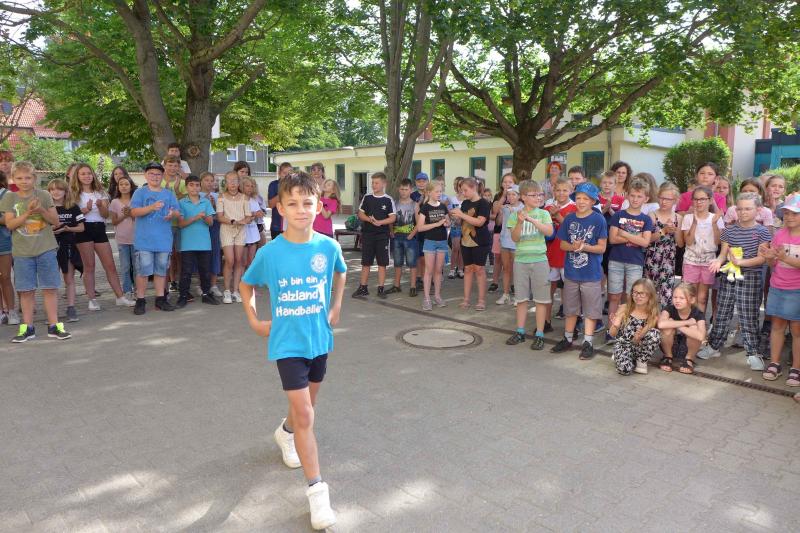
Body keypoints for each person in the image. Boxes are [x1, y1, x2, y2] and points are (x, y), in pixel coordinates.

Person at [239, 171, 345, 531]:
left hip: (319, 340)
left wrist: (336, 307)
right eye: (293, 203)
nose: (301, 209)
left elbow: (341, 273)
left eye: (307, 203)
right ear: (281, 208)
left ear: (318, 206)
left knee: (305, 410)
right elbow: (246, 284)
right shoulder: (270, 253)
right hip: (286, 344)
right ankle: (317, 492)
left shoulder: (328, 247)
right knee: (306, 415)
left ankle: (285, 432)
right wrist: (254, 320)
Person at [699, 192, 772, 369]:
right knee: (722, 312)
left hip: (751, 278)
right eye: (739, 209)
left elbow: (761, 258)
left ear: (758, 210)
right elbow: (723, 254)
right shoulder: (729, 230)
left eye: (747, 209)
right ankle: (714, 346)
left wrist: (741, 262)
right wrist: (718, 261)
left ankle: (752, 352)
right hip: (729, 275)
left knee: (749, 315)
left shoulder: (762, 231)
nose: (743, 212)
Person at [0, 161, 71, 341]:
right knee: (26, 291)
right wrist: (27, 214)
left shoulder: (44, 195)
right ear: (13, 179)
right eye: (19, 178)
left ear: (34, 178)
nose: (24, 181)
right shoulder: (10, 198)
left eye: (28, 177)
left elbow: (55, 221)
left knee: (50, 288)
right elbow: (10, 224)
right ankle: (27, 328)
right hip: (22, 252)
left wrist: (40, 210)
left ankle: (54, 326)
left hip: (46, 249)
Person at [551, 182, 608, 360]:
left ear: (593, 201)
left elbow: (602, 247)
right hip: (571, 273)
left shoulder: (598, 219)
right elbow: (562, 244)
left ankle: (588, 342)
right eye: (578, 198)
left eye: (586, 199)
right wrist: (574, 247)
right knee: (570, 308)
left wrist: (584, 247)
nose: (581, 201)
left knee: (591, 309)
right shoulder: (569, 219)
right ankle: (568, 338)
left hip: (591, 274)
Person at [70, 163, 134, 310]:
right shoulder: (73, 193)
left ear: (93, 175)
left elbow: (105, 215)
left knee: (110, 265)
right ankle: (92, 299)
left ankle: (120, 297)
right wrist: (85, 210)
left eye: (89, 173)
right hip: (83, 229)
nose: (87, 176)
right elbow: (72, 217)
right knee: (89, 266)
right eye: (83, 174)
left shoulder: (100, 192)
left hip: (99, 228)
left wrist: (100, 206)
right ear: (77, 176)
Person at [505, 180, 554, 349]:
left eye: (540, 194)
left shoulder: (544, 214)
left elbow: (549, 232)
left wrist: (532, 220)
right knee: (521, 299)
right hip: (521, 261)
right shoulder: (515, 215)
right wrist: (520, 222)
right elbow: (515, 238)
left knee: (541, 300)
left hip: (540, 261)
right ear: (523, 197)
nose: (538, 198)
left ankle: (539, 334)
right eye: (534, 195)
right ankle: (520, 332)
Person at [129, 162, 181, 314]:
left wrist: (172, 214)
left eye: (158, 174)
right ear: (146, 175)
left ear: (162, 176)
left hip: (163, 240)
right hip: (144, 241)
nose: (155, 176)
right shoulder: (139, 193)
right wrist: (151, 207)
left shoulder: (169, 193)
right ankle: (140, 300)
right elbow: (133, 212)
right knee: (143, 271)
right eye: (151, 173)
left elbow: (177, 212)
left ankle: (160, 299)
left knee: (161, 271)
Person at [759, 195, 800, 385]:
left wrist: (784, 258)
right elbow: (772, 263)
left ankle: (796, 368)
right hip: (777, 286)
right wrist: (769, 256)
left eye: (795, 213)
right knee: (777, 326)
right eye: (787, 213)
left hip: (797, 289)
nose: (789, 217)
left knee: (797, 330)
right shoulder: (780, 234)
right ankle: (774, 363)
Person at [607, 178, 654, 332]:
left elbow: (645, 242)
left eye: (639, 196)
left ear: (646, 199)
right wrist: (635, 237)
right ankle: (611, 329)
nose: (635, 199)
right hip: (616, 260)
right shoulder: (618, 215)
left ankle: (626, 329)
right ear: (627, 195)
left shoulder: (646, 219)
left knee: (632, 296)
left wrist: (625, 233)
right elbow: (613, 239)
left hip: (635, 262)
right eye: (633, 195)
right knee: (614, 296)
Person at [675, 185, 723, 317]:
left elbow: (718, 242)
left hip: (708, 262)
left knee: (702, 297)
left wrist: (714, 224)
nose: (699, 202)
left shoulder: (716, 218)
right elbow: (688, 242)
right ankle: (688, 323)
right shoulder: (688, 218)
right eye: (696, 199)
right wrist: (694, 224)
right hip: (691, 261)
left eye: (702, 199)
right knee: (690, 295)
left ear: (710, 200)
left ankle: (699, 322)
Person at [176, 174, 218, 308]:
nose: (194, 188)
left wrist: (205, 217)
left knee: (205, 271)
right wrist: (195, 217)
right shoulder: (181, 203)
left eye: (197, 185)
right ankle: (183, 296)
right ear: (186, 187)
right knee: (186, 271)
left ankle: (206, 294)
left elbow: (211, 223)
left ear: (200, 187)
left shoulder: (206, 202)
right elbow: (180, 224)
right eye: (191, 185)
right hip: (187, 244)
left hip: (204, 243)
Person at [352, 172, 396, 298]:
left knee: (382, 263)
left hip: (382, 236)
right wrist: (369, 220)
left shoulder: (388, 199)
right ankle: (363, 287)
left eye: (376, 183)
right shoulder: (367, 197)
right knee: (366, 262)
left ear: (384, 184)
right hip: (368, 235)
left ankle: (381, 288)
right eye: (372, 183)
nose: (373, 185)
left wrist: (380, 222)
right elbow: (360, 214)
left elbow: (393, 218)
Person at [451, 177, 492, 310]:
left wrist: (462, 215)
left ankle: (481, 300)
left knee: (479, 270)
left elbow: (480, 222)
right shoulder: (465, 203)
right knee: (468, 269)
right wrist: (455, 218)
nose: (463, 193)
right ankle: (466, 299)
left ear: (474, 188)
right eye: (461, 190)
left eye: (465, 190)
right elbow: (463, 222)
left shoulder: (483, 203)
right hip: (465, 241)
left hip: (480, 241)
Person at [48, 178, 85, 323]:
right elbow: (40, 228)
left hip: (68, 246)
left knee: (69, 279)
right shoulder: (46, 208)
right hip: (50, 247)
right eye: (52, 189)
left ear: (65, 191)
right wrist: (51, 229)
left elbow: (81, 228)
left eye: (59, 189)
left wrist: (68, 228)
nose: (56, 192)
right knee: (51, 281)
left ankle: (71, 308)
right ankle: (52, 312)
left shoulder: (73, 207)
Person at [609, 278, 661, 375]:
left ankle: (641, 361)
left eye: (642, 293)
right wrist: (615, 326)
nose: (637, 296)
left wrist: (638, 337)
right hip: (623, 345)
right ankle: (620, 355)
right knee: (625, 370)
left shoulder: (653, 314)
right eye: (635, 292)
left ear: (650, 295)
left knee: (655, 334)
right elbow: (612, 334)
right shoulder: (624, 308)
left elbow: (639, 339)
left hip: (639, 347)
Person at [543, 178, 575, 327]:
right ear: (553, 191)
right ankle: (545, 321)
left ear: (571, 191)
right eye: (558, 190)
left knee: (569, 292)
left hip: (567, 256)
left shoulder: (575, 208)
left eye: (565, 190)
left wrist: (558, 216)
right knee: (547, 290)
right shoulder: (547, 207)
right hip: (550, 254)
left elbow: (571, 230)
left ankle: (571, 326)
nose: (561, 193)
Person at [217, 172, 252, 304]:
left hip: (240, 230)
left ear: (239, 183)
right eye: (229, 180)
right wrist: (232, 221)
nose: (232, 183)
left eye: (235, 181)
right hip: (226, 230)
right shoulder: (221, 197)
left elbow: (248, 216)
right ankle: (227, 290)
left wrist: (244, 221)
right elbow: (219, 217)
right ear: (225, 183)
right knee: (230, 260)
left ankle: (235, 290)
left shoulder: (244, 197)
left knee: (239, 260)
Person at [645, 182, 681, 308]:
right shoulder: (652, 215)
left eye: (668, 199)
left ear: (675, 200)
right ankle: (649, 318)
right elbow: (648, 239)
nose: (663, 201)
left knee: (667, 294)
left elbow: (680, 243)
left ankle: (665, 318)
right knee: (649, 293)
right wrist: (663, 231)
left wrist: (675, 231)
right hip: (652, 258)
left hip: (669, 260)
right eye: (661, 198)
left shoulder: (678, 218)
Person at [416, 180, 449, 310]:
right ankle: (427, 298)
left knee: (438, 270)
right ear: (429, 192)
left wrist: (447, 223)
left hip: (442, 241)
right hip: (430, 241)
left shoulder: (443, 206)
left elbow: (448, 222)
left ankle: (437, 296)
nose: (439, 194)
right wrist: (436, 224)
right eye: (436, 191)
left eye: (440, 191)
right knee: (429, 270)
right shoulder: (425, 208)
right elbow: (420, 228)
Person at [385, 178, 419, 296]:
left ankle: (413, 286)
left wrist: (412, 235)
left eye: (406, 189)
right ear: (398, 189)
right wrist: (391, 231)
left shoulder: (415, 205)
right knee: (397, 262)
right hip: (397, 237)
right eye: (401, 189)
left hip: (410, 238)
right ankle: (396, 285)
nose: (403, 191)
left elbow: (419, 222)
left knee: (412, 263)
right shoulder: (394, 203)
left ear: (411, 190)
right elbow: (391, 219)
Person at [109, 174, 138, 301]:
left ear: (131, 186)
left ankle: (138, 290)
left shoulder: (136, 201)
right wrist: (125, 215)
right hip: (122, 239)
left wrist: (131, 214)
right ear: (118, 187)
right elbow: (114, 221)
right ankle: (127, 290)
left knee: (137, 267)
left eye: (126, 184)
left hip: (136, 238)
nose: (124, 186)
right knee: (125, 266)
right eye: (121, 184)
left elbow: (139, 219)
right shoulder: (114, 202)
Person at [489, 173, 516, 293]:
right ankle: (495, 282)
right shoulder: (498, 196)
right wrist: (504, 196)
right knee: (498, 258)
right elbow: (495, 211)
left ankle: (513, 284)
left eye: (510, 182)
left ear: (514, 183)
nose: (507, 184)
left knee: (513, 261)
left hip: (513, 233)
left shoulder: (518, 196)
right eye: (505, 182)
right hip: (499, 231)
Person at [496, 184, 522, 305]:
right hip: (505, 241)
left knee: (518, 270)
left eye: (513, 194)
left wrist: (515, 212)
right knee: (506, 268)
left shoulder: (523, 208)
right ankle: (506, 294)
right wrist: (503, 196)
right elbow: (495, 209)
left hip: (516, 242)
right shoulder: (505, 207)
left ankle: (519, 296)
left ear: (519, 196)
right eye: (509, 195)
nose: (511, 197)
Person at [200, 172, 223, 298]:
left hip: (214, 228)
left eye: (211, 180)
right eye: (206, 180)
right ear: (201, 182)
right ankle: (202, 284)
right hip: (200, 228)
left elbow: (220, 214)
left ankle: (213, 285)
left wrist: (214, 205)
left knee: (215, 255)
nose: (209, 183)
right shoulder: (197, 195)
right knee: (201, 256)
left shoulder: (217, 196)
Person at [0, 169, 17, 325]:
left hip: (4, 241)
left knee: (5, 277)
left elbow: (8, 219)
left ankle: (11, 311)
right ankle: (1, 312)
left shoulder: (7, 194)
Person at [241, 176, 263, 269]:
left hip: (253, 233)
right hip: (243, 233)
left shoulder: (254, 200)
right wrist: (253, 214)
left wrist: (257, 214)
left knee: (251, 261)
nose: (250, 188)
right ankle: (243, 277)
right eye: (247, 186)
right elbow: (240, 215)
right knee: (243, 262)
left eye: (252, 186)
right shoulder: (239, 199)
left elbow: (259, 214)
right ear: (242, 186)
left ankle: (249, 278)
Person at [268, 162, 293, 239]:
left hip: (291, 225)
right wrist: (284, 191)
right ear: (279, 173)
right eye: (284, 173)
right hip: (277, 226)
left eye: (289, 173)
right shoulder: (274, 185)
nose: (287, 176)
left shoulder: (295, 186)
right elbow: (271, 205)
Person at [448, 176, 465, 279]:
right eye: (459, 185)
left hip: (466, 227)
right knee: (455, 248)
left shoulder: (468, 199)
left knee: (462, 249)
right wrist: (452, 216)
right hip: (455, 226)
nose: (461, 187)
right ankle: (452, 269)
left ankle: (460, 269)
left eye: (463, 185)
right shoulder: (452, 199)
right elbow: (448, 210)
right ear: (456, 186)